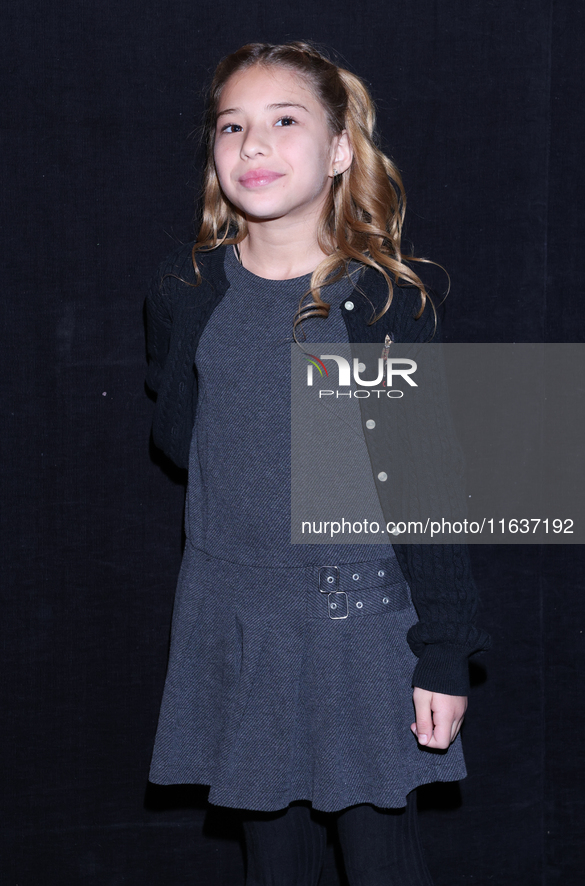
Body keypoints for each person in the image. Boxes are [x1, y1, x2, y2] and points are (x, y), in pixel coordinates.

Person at [145, 41, 491, 886]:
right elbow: (176, 443)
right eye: (233, 126)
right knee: (273, 859)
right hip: (241, 625)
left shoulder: (376, 301)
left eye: (284, 121)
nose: (252, 145)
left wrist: (442, 652)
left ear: (339, 151)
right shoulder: (188, 290)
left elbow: (423, 488)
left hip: (358, 631)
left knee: (380, 860)